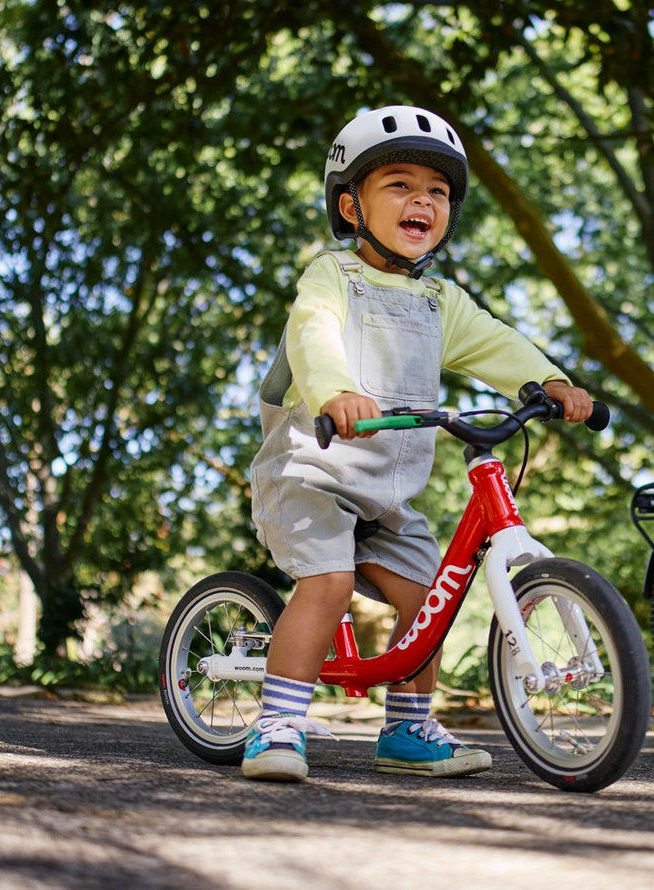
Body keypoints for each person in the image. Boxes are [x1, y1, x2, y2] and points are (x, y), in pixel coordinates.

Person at [242, 105, 594, 782]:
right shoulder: (332, 276)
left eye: (436, 191)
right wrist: (336, 391)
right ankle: (278, 724)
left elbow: (498, 342)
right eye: (399, 184)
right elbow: (312, 334)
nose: (421, 200)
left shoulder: (440, 301)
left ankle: (407, 727)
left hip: (387, 492)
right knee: (329, 580)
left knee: (431, 598)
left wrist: (550, 379)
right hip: (310, 471)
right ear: (352, 205)